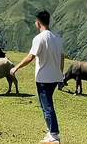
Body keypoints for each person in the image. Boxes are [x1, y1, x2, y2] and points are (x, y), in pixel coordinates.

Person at [11, 10, 64, 143]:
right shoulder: (57, 38)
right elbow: (62, 58)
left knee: (47, 106)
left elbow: (31, 57)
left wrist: (16, 67)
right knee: (46, 105)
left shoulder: (39, 38)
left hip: (43, 79)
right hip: (55, 78)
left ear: (38, 23)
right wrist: (60, 73)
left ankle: (54, 133)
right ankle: (51, 131)